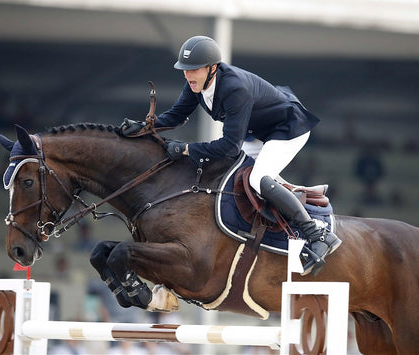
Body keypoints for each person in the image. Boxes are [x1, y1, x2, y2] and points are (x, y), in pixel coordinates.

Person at [122, 35, 341, 275]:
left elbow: (229, 147)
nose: (188, 75)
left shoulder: (235, 88)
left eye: (193, 70)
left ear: (212, 68)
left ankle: (317, 233)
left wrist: (186, 149)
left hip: (287, 129)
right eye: (185, 70)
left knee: (258, 180)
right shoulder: (197, 83)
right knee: (232, 175)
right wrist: (144, 126)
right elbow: (175, 115)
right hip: (259, 132)